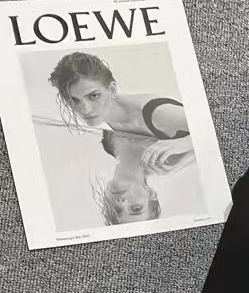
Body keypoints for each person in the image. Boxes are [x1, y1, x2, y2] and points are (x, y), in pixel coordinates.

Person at [47, 51, 195, 224]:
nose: (85, 109)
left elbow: (213, 125)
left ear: (112, 90)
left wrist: (186, 142)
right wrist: (187, 145)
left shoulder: (148, 120)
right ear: (151, 194)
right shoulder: (163, 150)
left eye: (93, 96)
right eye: (135, 208)